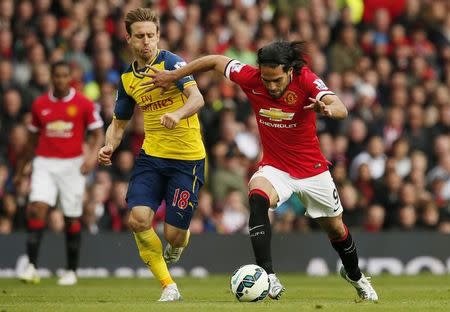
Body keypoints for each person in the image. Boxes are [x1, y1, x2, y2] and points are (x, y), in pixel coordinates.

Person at [143, 41, 379, 301]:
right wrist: (175, 75)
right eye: (267, 80)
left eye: (277, 79)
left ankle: (355, 276)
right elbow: (214, 60)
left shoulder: (306, 79)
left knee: (336, 229)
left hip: (312, 171)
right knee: (257, 197)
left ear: (290, 71)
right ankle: (268, 275)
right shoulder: (251, 78)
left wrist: (327, 109)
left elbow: (341, 108)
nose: (271, 86)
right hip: (275, 168)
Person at [97, 8, 205, 302]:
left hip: (187, 159)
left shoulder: (171, 63)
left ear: (158, 36)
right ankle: (168, 286)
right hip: (152, 158)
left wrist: (178, 113)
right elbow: (118, 123)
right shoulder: (127, 79)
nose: (146, 42)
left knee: (173, 235)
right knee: (138, 219)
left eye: (151, 35)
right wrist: (109, 145)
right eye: (140, 36)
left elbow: (197, 98)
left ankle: (179, 240)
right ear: (129, 39)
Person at [16, 60, 104, 285]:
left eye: (65, 76)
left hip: (72, 165)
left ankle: (71, 271)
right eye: (57, 76)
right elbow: (32, 140)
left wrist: (91, 158)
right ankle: (32, 267)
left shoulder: (83, 103)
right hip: (44, 163)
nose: (61, 80)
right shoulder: (40, 104)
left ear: (70, 78)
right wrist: (21, 168)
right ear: (51, 78)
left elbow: (97, 134)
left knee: (71, 217)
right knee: (36, 210)